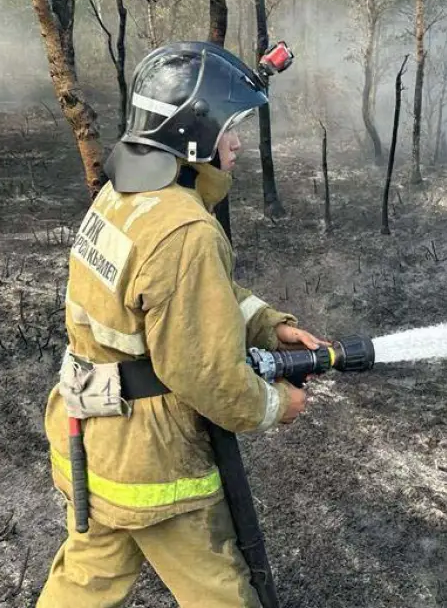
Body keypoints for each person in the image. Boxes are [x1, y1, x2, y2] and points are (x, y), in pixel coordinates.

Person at [36, 41, 322, 608]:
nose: (237, 143)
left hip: (88, 430)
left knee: (87, 579)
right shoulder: (185, 231)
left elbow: (183, 299)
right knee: (221, 595)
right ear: (194, 136)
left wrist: (266, 325)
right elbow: (205, 371)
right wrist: (275, 405)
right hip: (151, 462)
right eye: (229, 129)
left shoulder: (125, 197)